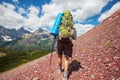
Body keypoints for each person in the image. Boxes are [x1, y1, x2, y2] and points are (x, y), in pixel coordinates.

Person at [56, 10, 76, 80]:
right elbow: (74, 35)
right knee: (66, 58)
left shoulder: (60, 20)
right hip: (68, 42)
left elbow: (56, 31)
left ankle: (60, 69)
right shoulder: (71, 21)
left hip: (60, 41)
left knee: (59, 56)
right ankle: (65, 76)